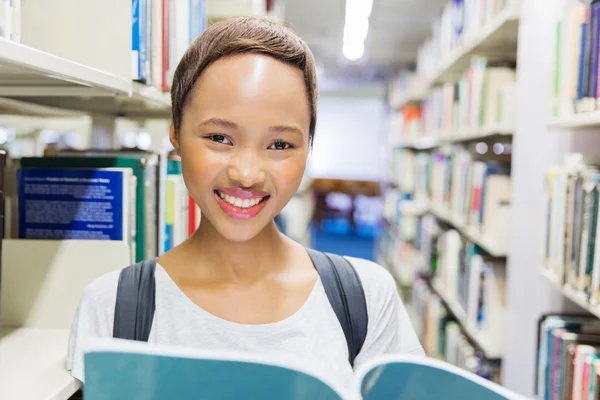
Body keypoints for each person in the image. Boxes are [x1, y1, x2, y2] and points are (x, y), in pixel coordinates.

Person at [66, 15, 424, 387]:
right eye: (220, 138)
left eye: (280, 145)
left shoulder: (366, 298)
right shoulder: (111, 306)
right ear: (175, 132)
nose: (247, 174)